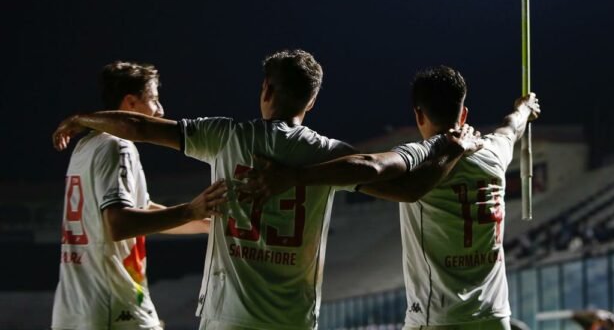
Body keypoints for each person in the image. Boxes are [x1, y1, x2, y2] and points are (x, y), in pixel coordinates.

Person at [52, 50, 481, 330]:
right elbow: (410, 191)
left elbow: (140, 126)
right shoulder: (328, 155)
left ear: (266, 91)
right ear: (311, 103)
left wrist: (86, 119)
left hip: (227, 318)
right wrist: (449, 149)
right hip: (293, 319)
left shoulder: (227, 136)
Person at [245, 65, 540, 329]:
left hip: (437, 318)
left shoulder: (423, 156)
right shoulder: (495, 152)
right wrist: (525, 108)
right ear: (463, 114)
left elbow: (370, 166)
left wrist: (296, 176)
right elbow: (510, 126)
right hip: (494, 317)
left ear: (418, 114)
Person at [51, 61, 227, 330]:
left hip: (75, 310)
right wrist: (189, 210)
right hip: (114, 308)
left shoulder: (86, 146)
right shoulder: (118, 146)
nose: (160, 109)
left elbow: (142, 211)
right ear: (131, 103)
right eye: (154, 99)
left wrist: (204, 224)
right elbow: (120, 224)